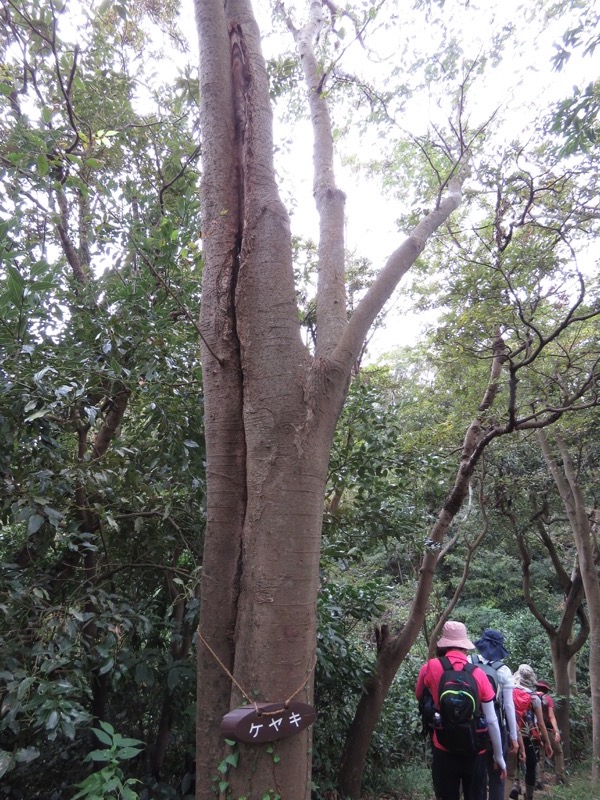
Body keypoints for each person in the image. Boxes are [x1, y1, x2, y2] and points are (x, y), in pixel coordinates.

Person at [415, 621, 507, 800]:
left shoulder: (430, 667)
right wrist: (499, 757)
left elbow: (419, 696)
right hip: (475, 750)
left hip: (443, 746)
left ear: (445, 644)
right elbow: (491, 720)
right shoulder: (478, 673)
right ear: (465, 647)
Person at [470, 629, 520, 800]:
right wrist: (513, 736)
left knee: (477, 777)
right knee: (497, 776)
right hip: (496, 727)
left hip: (471, 725)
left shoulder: (469, 662)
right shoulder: (504, 671)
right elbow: (508, 706)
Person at [505, 665, 553, 800]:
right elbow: (541, 724)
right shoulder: (534, 698)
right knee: (531, 764)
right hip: (529, 736)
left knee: (512, 764)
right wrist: (547, 743)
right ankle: (529, 795)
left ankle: (515, 785)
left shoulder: (509, 692)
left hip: (511, 734)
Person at [535, 679, 566, 786]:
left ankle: (539, 779)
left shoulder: (531, 696)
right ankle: (560, 778)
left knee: (541, 753)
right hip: (547, 730)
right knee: (558, 751)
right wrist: (556, 731)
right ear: (547, 689)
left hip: (533, 729)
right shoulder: (548, 699)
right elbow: (551, 716)